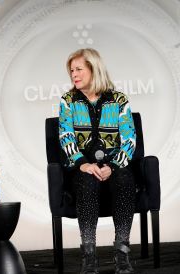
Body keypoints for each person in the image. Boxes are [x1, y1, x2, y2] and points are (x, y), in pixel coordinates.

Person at [58, 48, 136, 274]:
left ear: (94, 69)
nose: (74, 74)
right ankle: (89, 257)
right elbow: (66, 136)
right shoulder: (68, 101)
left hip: (115, 165)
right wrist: (83, 163)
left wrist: (111, 166)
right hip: (82, 166)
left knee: (124, 178)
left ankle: (122, 253)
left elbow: (129, 139)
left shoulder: (119, 100)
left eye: (79, 69)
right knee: (86, 180)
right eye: (71, 70)